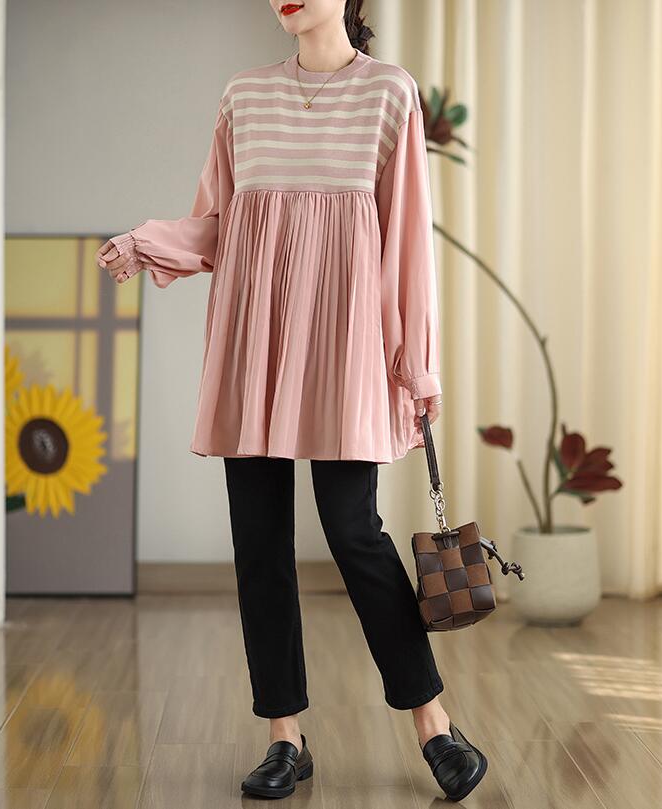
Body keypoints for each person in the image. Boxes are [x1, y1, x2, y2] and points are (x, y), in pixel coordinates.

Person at [96, 0, 487, 802]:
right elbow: (220, 224)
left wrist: (418, 365)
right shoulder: (244, 96)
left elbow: (407, 241)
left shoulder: (389, 94)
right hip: (255, 343)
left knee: (355, 530)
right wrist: (146, 242)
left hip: (346, 345)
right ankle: (284, 735)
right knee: (259, 540)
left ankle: (434, 723)